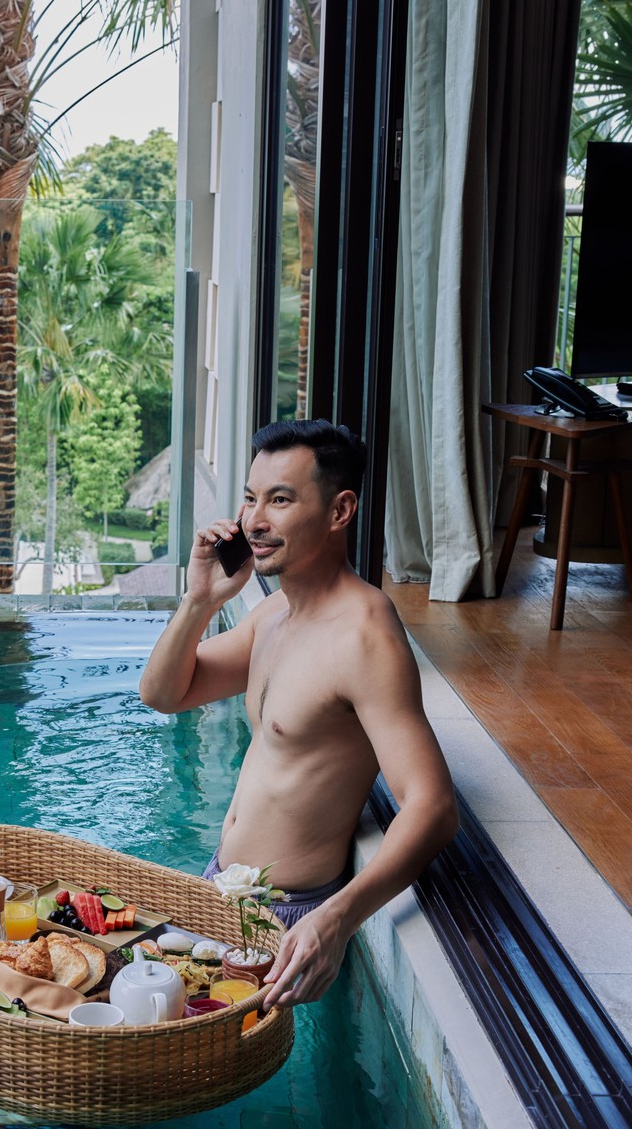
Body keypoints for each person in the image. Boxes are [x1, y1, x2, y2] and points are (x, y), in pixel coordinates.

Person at [138, 420, 459, 1012]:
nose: (254, 521)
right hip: (222, 890)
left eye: (280, 500)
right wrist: (199, 600)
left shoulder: (364, 636)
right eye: (250, 497)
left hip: (288, 924)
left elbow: (433, 806)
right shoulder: (272, 616)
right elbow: (162, 693)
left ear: (340, 511)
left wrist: (335, 920)